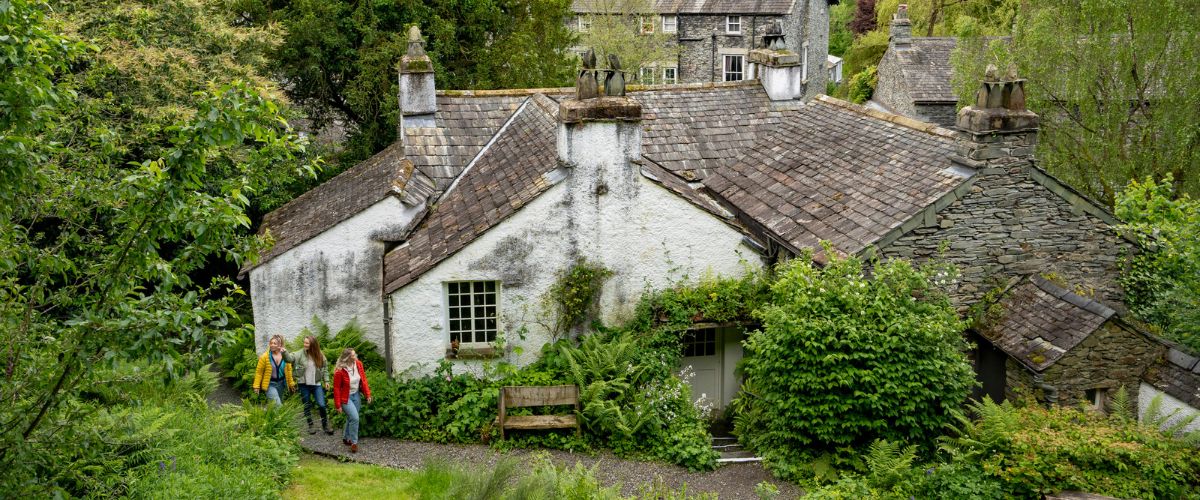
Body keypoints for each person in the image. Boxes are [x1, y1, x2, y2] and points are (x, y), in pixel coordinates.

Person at [288, 335, 333, 435]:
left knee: (322, 405)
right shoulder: (299, 353)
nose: (305, 344)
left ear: (312, 344)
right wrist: (283, 352)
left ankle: (325, 425)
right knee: (307, 405)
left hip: (316, 384)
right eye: (304, 342)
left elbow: (325, 368)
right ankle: (310, 425)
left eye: (307, 343)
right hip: (303, 384)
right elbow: (289, 359)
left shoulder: (320, 355)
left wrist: (326, 381)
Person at [332, 348, 372, 453]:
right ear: (348, 358)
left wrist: (367, 394)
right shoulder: (340, 371)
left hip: (356, 395)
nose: (356, 356)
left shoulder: (358, 364)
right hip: (345, 398)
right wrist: (338, 405)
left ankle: (346, 437)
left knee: (351, 418)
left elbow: (363, 380)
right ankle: (354, 442)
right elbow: (336, 389)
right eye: (353, 355)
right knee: (355, 418)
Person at [253, 334, 295, 407]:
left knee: (276, 404)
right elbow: (259, 372)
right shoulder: (265, 357)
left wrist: (291, 384)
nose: (272, 345)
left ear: (280, 344)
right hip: (270, 384)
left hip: (281, 384)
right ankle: (281, 417)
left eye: (274, 343)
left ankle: (269, 416)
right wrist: (256, 386)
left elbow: (289, 371)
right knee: (278, 405)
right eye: (271, 343)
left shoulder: (285, 356)